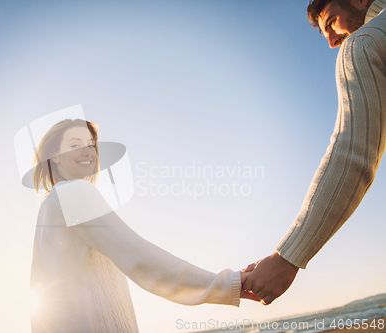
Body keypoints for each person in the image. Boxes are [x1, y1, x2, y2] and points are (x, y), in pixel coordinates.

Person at [29, 119, 258, 333]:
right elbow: (139, 258)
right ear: (55, 156)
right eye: (74, 144)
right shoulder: (73, 192)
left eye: (90, 144)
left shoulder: (49, 204)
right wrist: (227, 284)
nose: (87, 151)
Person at [244, 0, 386, 305]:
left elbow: (354, 153)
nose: (334, 41)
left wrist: (287, 257)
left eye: (332, 22)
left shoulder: (364, 43)